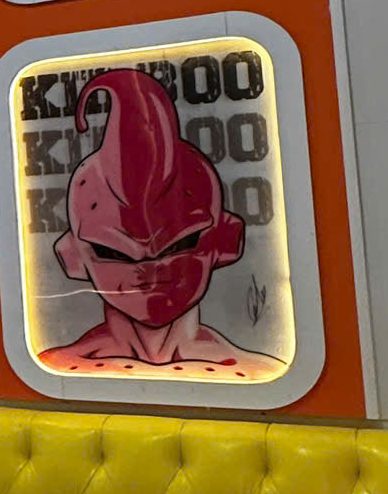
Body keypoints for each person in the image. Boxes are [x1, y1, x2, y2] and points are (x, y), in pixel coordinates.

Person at [40, 68, 282, 377]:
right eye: (112, 252)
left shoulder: (259, 374)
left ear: (227, 240)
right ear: (71, 257)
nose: (148, 269)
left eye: (180, 245)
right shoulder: (54, 369)